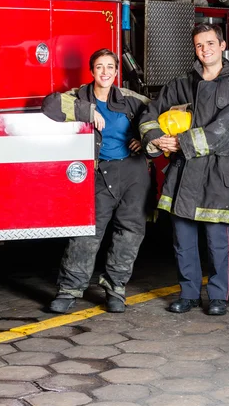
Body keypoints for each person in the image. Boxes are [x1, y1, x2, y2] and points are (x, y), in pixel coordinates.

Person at [139, 24, 229, 316]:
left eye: (210, 43)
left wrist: (180, 142)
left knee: (217, 242)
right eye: (200, 45)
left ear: (222, 45)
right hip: (185, 174)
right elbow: (150, 112)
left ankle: (217, 298)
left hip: (218, 175)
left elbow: (226, 129)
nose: (205, 50)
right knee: (183, 240)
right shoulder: (181, 83)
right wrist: (155, 138)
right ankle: (188, 294)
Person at [42, 48, 151, 314]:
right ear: (92, 71)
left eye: (110, 67)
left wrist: (144, 137)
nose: (105, 72)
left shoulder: (130, 99)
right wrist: (87, 111)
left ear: (116, 71)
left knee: (130, 232)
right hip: (99, 173)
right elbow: (50, 105)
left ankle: (116, 288)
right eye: (99, 67)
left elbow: (155, 114)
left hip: (132, 172)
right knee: (87, 233)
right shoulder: (79, 96)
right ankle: (69, 290)